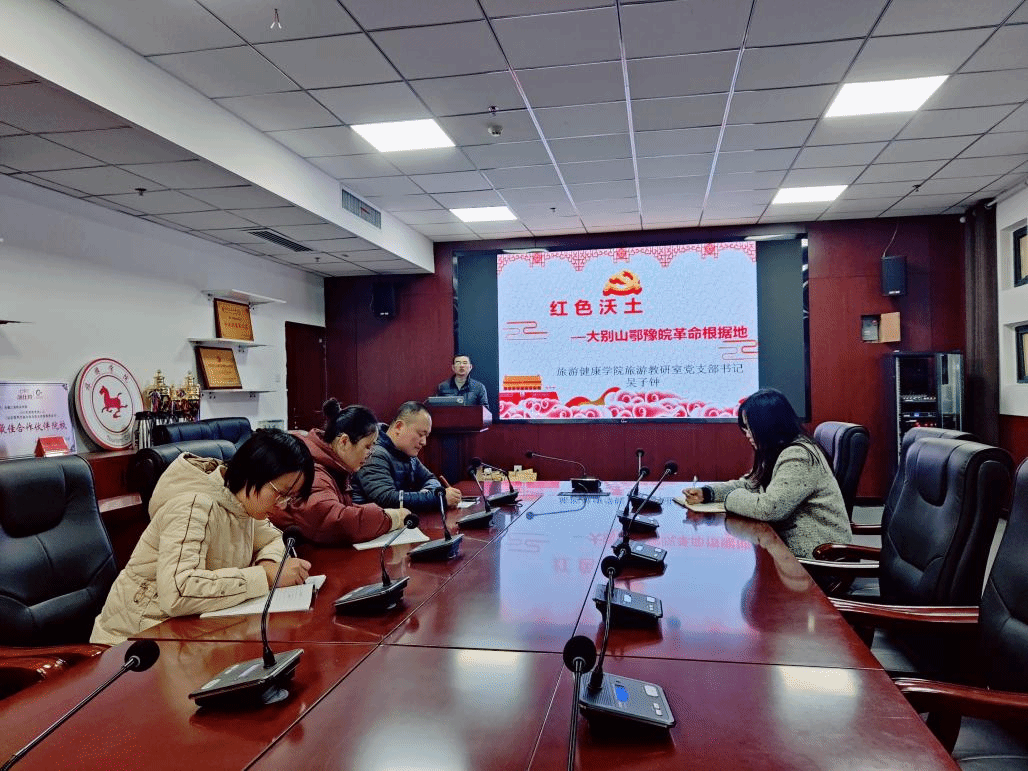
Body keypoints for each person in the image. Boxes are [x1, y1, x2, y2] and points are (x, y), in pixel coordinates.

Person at [90, 429, 315, 646]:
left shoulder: (243, 503)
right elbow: (178, 591)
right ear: (254, 473)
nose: (282, 505)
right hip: (133, 642)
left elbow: (272, 540)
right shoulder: (192, 505)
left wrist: (268, 563)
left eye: (290, 498)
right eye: (280, 493)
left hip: (188, 629)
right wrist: (265, 577)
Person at [681, 388, 851, 558]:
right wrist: (707, 493)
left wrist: (730, 499)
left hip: (817, 556)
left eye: (749, 428)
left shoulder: (798, 455)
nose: (747, 435)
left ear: (767, 426)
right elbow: (750, 484)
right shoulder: (776, 450)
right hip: (790, 549)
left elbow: (770, 509)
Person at [271, 399, 409, 545]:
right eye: (367, 447)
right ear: (344, 442)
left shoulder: (332, 466)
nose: (370, 454)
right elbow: (335, 521)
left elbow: (337, 510)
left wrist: (382, 514)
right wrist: (392, 518)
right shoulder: (313, 471)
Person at [351, 401, 462, 511]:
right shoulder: (374, 453)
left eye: (426, 436)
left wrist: (426, 495)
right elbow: (386, 499)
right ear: (399, 427)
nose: (424, 442)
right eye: (421, 434)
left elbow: (430, 479)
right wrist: (437, 498)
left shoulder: (407, 454)